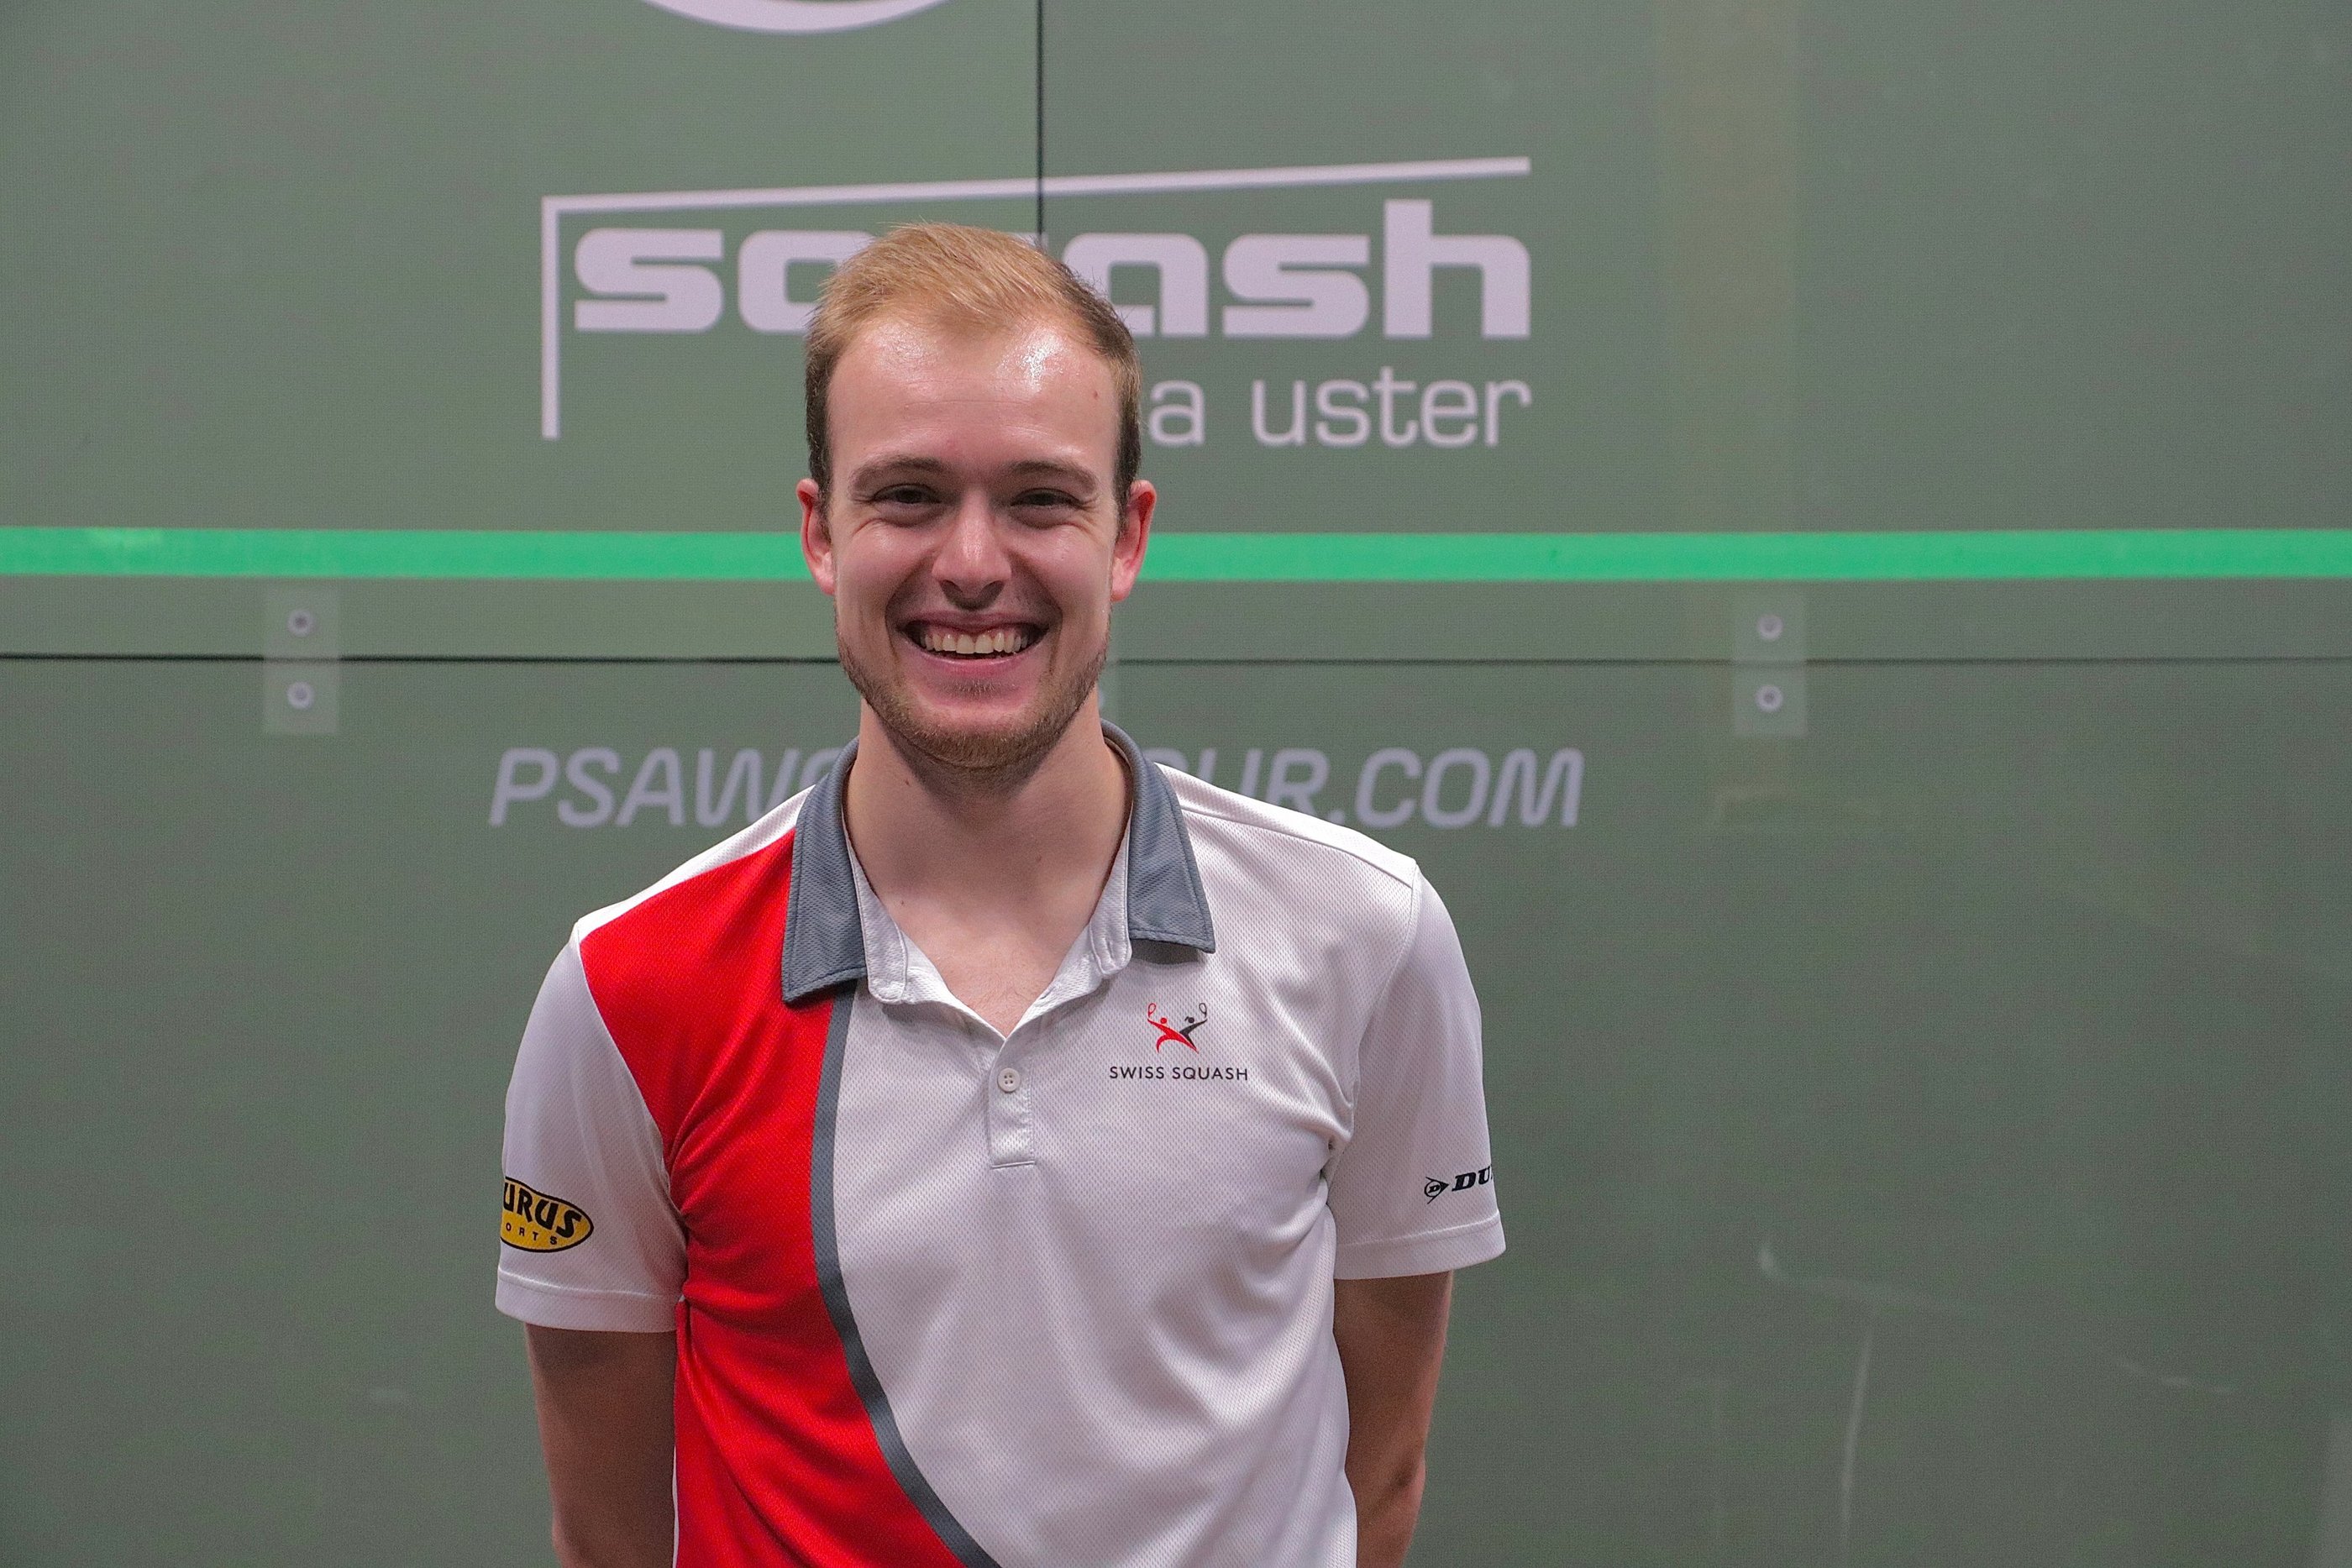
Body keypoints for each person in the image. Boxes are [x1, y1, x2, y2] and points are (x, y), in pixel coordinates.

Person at [495, 223, 1503, 1568]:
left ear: (1126, 536)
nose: (973, 563)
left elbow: (1377, 1476)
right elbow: (609, 1533)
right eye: (909, 496)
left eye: (1039, 500)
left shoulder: (1366, 938)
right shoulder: (629, 988)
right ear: (820, 532)